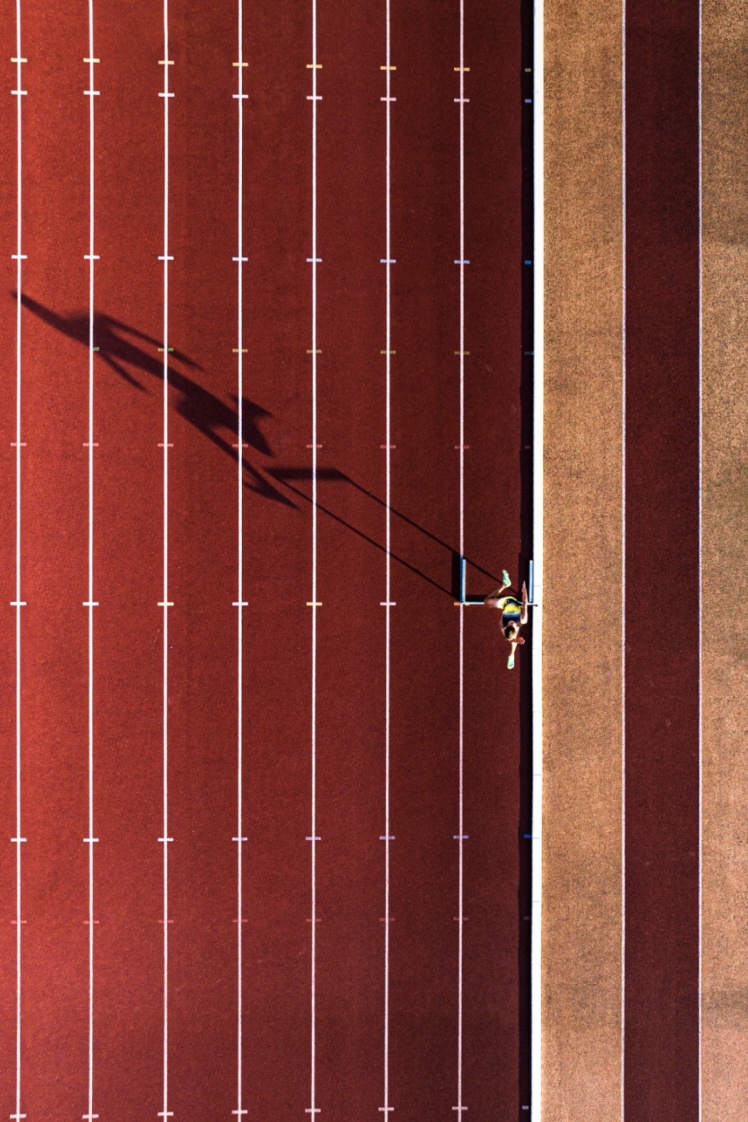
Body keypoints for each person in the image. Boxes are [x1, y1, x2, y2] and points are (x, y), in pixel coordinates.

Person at [484, 570, 528, 669]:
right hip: (514, 602)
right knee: (511, 639)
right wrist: (524, 590)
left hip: (505, 603)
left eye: (510, 623)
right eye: (512, 624)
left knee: (486, 602)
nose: (511, 622)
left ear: (506, 626)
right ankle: (512, 655)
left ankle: (505, 584)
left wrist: (517, 640)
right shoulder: (523, 619)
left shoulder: (502, 624)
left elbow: (508, 638)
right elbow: (525, 603)